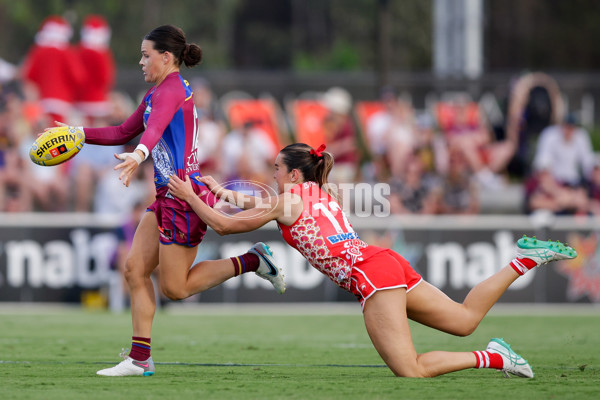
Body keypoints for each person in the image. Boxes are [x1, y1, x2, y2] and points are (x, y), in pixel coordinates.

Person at [167, 142, 577, 378]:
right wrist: (220, 190)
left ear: (293, 175)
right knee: (465, 320)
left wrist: (191, 197)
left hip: (371, 275)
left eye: (276, 169)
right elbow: (260, 203)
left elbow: (223, 227)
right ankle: (523, 260)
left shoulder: (287, 200)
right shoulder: (316, 193)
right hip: (386, 261)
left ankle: (496, 358)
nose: (272, 174)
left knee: (410, 370)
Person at [48, 25, 285, 377]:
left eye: (146, 55)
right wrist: (77, 133)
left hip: (183, 198)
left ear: (166, 57)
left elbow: (155, 128)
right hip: (167, 195)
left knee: (176, 288)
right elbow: (122, 131)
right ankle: (139, 359)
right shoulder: (157, 91)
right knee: (134, 269)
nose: (141, 62)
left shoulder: (172, 89)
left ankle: (253, 261)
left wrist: (140, 153)